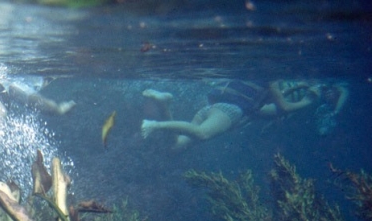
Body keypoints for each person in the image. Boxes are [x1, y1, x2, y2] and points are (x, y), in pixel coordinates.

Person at [139, 79, 341, 150]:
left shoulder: (249, 72)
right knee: (202, 133)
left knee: (175, 147)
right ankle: (155, 124)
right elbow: (284, 107)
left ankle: (165, 104)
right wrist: (308, 101)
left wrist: (294, 90)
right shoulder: (270, 78)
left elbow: (267, 107)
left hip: (212, 108)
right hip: (229, 111)